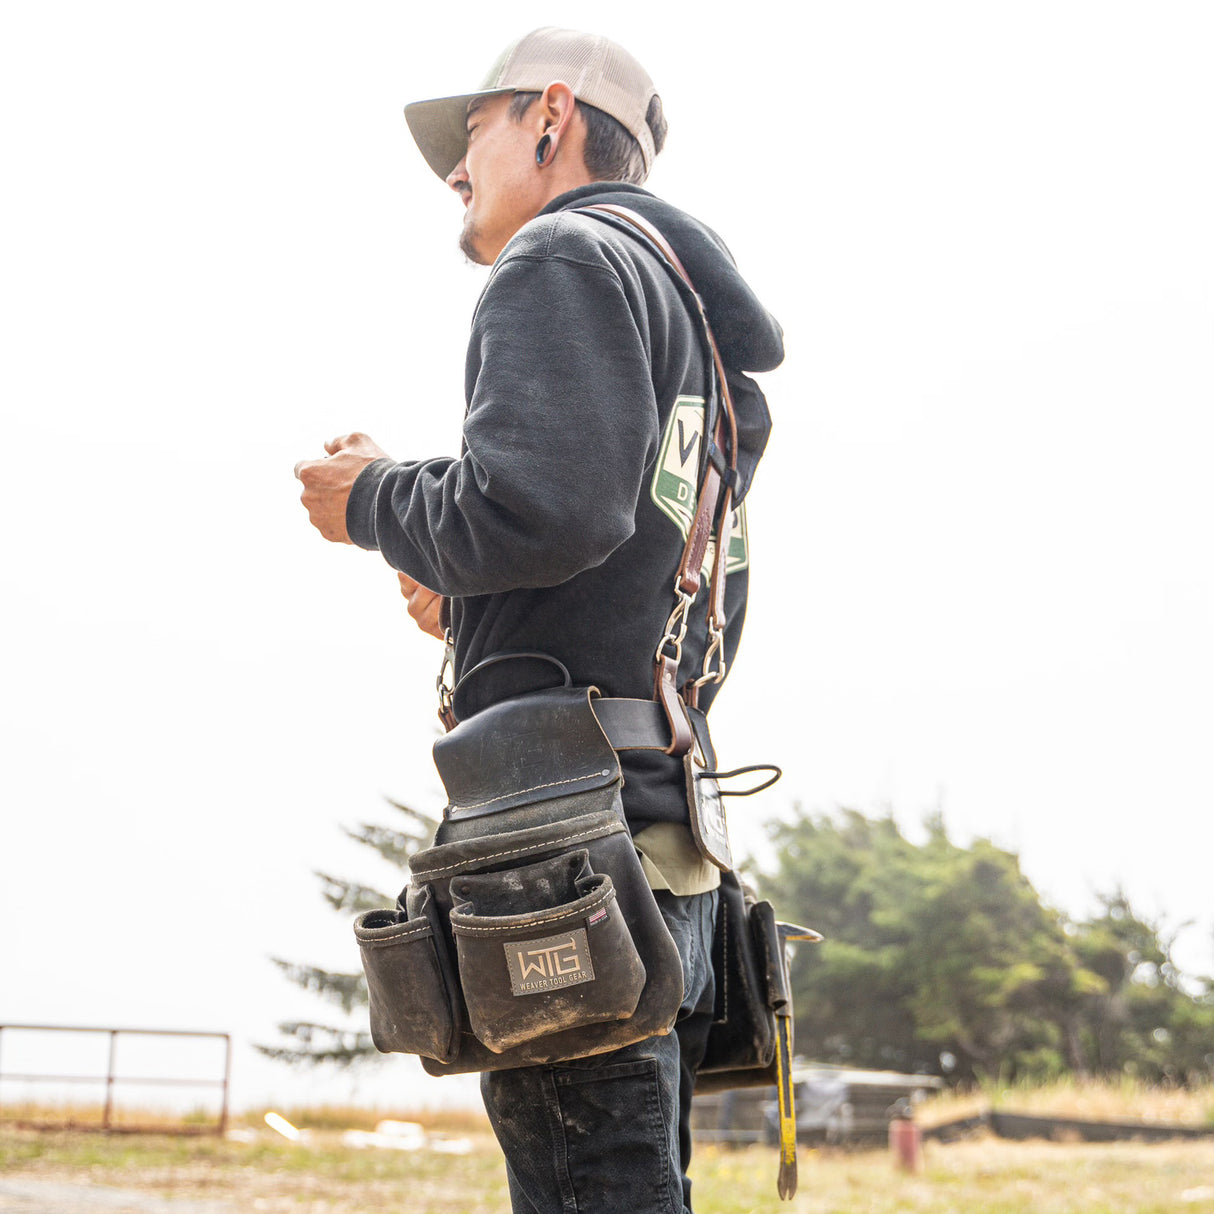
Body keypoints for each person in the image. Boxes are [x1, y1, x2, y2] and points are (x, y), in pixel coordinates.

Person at [294, 27, 783, 1214]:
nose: (454, 175)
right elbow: (630, 557)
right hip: (665, 841)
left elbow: (543, 506)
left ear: (550, 117)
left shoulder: (560, 256)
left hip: (564, 844)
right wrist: (468, 597)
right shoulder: (702, 343)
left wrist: (370, 499)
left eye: (470, 137)